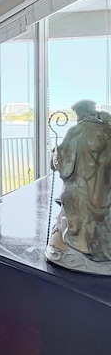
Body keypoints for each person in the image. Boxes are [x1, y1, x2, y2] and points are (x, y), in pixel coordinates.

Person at [48, 100, 111, 273]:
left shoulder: (77, 132)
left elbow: (63, 166)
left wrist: (55, 154)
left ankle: (81, 246)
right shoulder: (108, 129)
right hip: (105, 193)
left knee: (73, 204)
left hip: (82, 192)